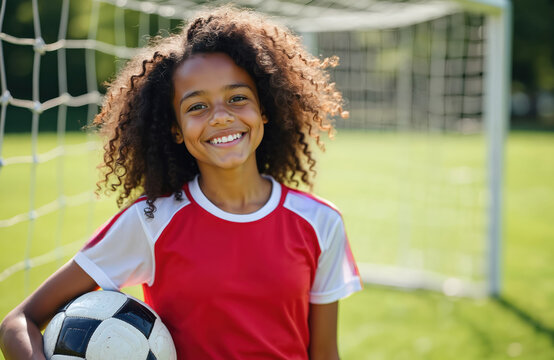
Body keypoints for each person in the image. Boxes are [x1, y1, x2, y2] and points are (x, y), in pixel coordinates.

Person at [0, 5, 362, 359]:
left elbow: (325, 352)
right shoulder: (151, 222)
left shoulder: (320, 223)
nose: (221, 117)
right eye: (197, 107)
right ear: (175, 129)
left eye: (238, 98)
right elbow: (19, 322)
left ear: (263, 109)